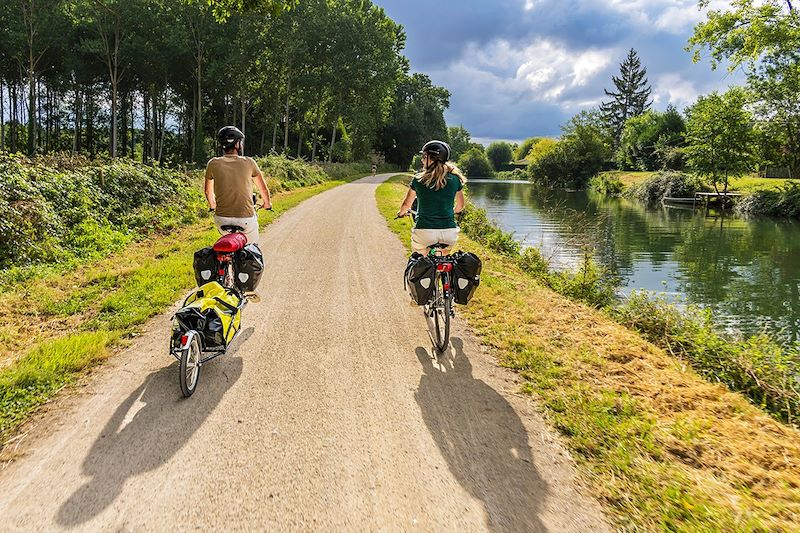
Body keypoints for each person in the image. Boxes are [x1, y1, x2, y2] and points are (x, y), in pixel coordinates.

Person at [204, 126, 272, 245]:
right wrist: (267, 203)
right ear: (237, 144)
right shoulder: (249, 162)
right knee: (253, 246)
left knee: (226, 244)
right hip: (246, 220)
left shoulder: (213, 163)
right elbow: (263, 189)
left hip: (221, 220)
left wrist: (212, 206)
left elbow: (208, 192)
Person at [396, 140, 466, 255]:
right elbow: (460, 206)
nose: (422, 160)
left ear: (431, 158)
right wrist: (451, 212)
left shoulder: (419, 179)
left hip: (424, 232)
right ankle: (445, 273)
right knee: (444, 260)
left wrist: (401, 213)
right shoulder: (455, 179)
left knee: (419, 263)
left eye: (424, 157)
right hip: (449, 233)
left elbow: (406, 205)